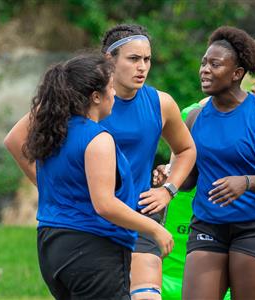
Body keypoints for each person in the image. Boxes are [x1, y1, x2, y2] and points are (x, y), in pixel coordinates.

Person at [4, 53, 174, 300]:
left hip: (51, 245)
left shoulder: (54, 133)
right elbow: (104, 205)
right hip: (92, 249)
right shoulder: (97, 139)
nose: (114, 94)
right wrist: (155, 229)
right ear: (96, 97)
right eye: (110, 89)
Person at [157, 39, 255, 300]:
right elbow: (180, 173)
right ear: (238, 70)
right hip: (201, 223)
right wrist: (165, 176)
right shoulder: (193, 114)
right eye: (254, 75)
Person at [99, 24, 196, 299]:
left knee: (147, 295)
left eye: (147, 59)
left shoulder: (160, 103)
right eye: (133, 59)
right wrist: (52, 190)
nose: (142, 67)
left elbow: (187, 149)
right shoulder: (85, 100)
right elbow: (20, 140)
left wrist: (169, 190)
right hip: (93, 214)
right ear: (110, 60)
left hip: (141, 213)